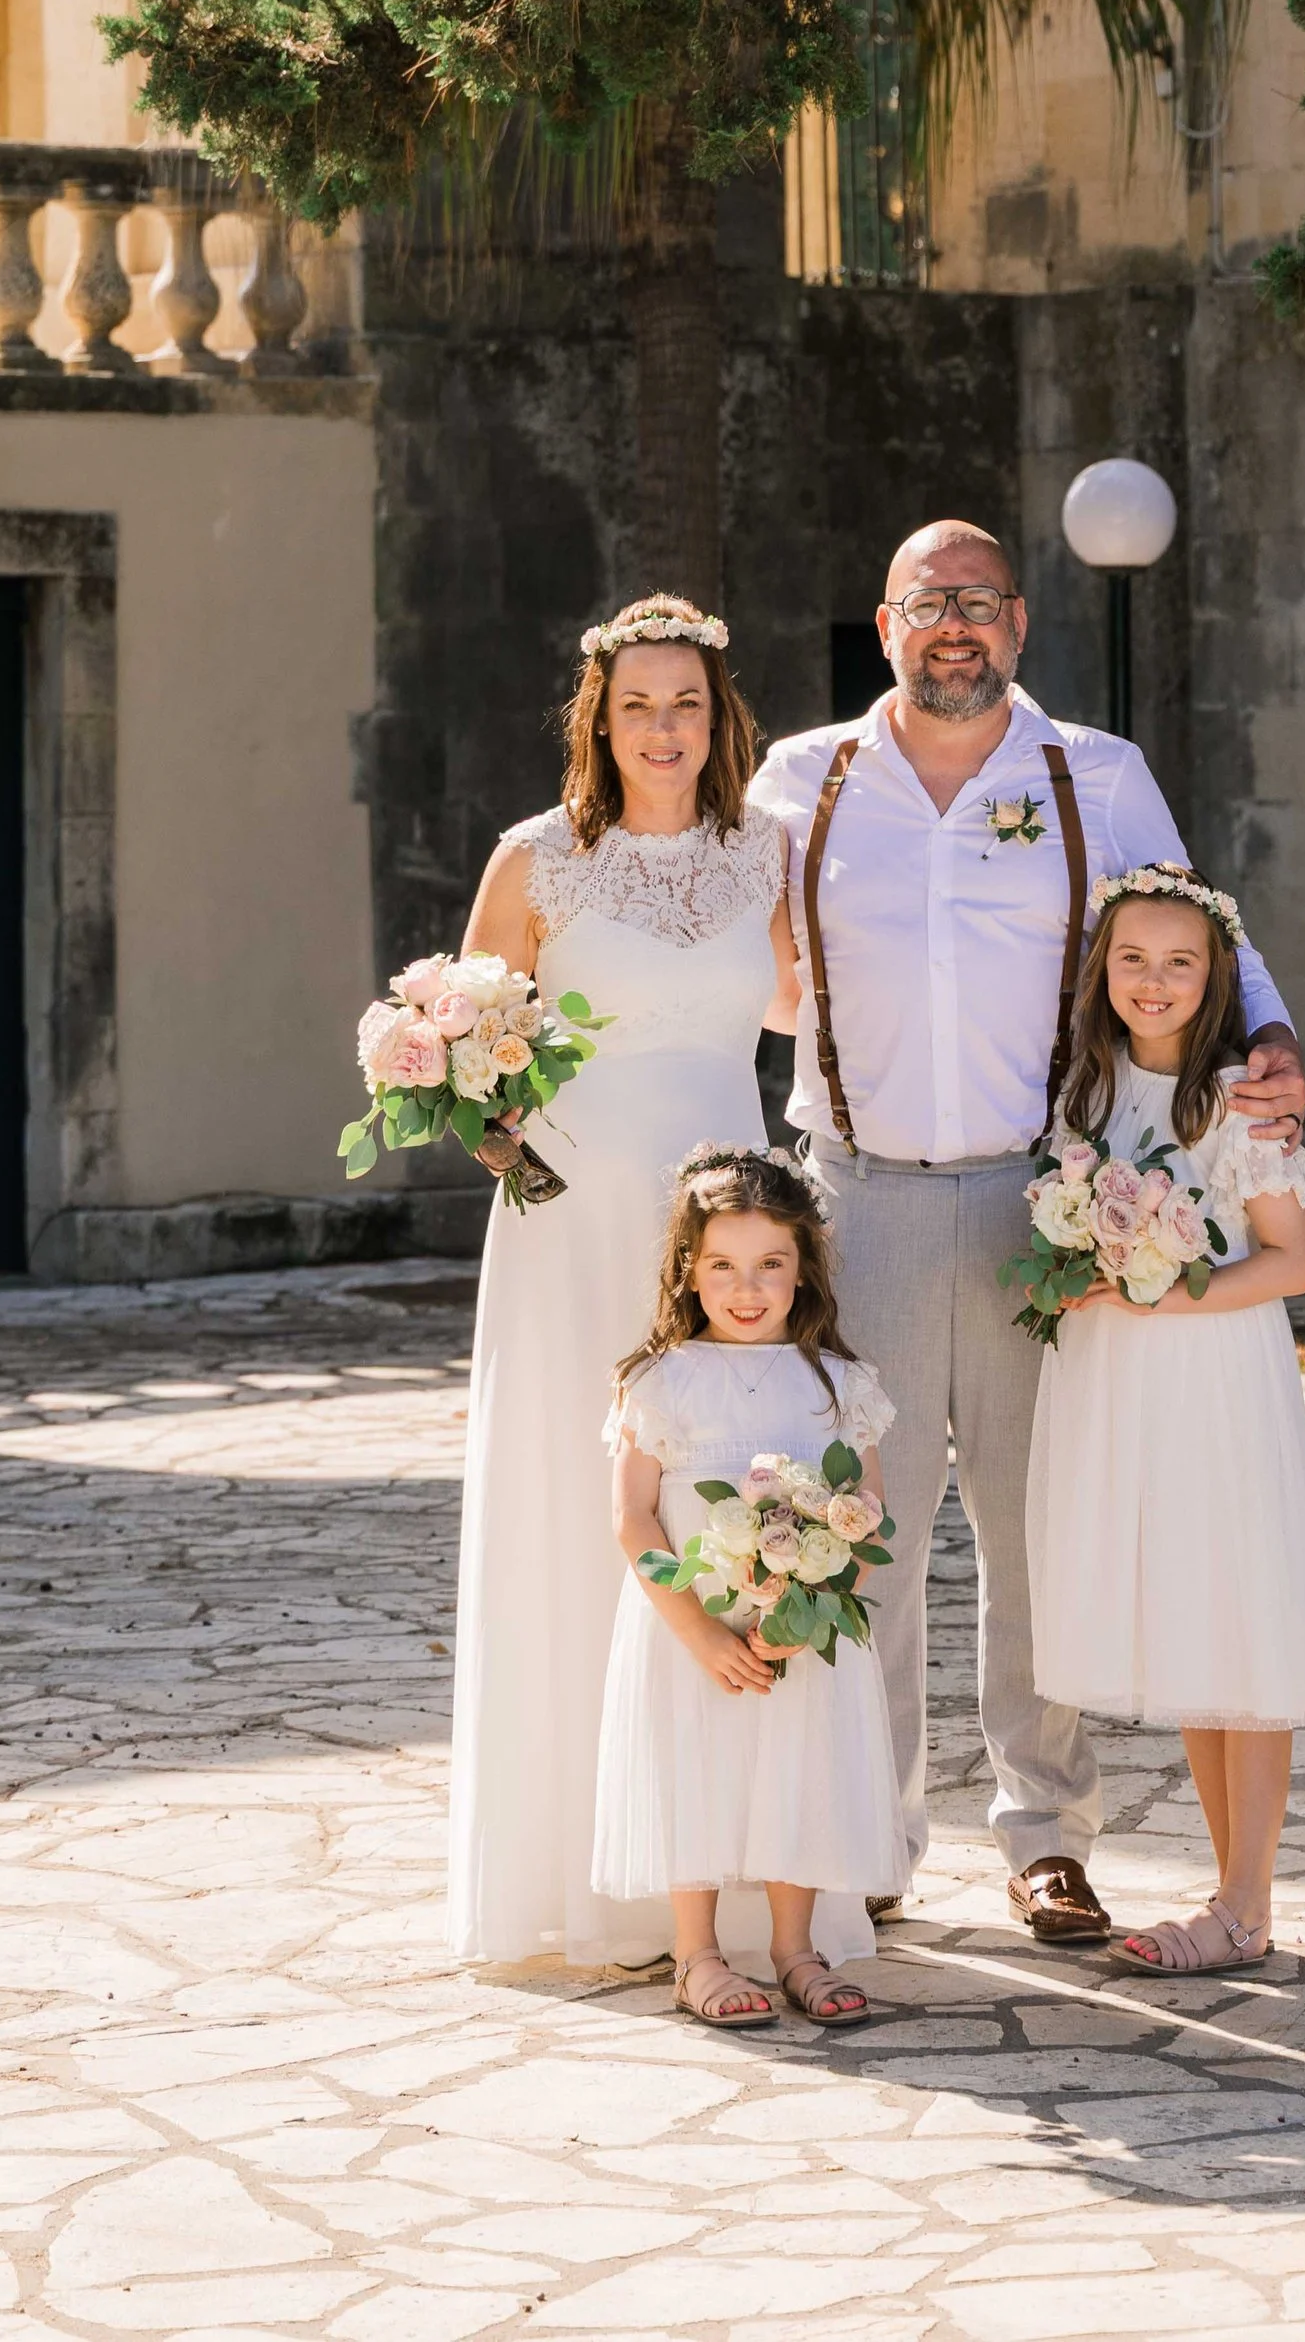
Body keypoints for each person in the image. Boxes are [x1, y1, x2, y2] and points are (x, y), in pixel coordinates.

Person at [748, 517, 1305, 1948]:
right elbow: (728, 957)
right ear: (882, 624)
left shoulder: (1094, 772)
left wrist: (1276, 1039)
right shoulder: (803, 778)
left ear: (1020, 625)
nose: (957, 627)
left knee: (1032, 1529)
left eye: (983, 605)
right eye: (930, 602)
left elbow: (1204, 937)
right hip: (850, 1191)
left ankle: (1045, 1835)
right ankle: (867, 1828)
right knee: (860, 1529)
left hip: (1036, 1201)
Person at [446, 593, 796, 1969]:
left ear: (722, 719)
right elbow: (459, 1047)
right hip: (577, 1223)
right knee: (572, 1512)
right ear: (598, 716)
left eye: (688, 702)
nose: (664, 726)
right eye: (638, 702)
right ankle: (580, 1871)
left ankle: (726, 1869)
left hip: (730, 1229)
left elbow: (816, 1006)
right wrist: (510, 1158)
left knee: (729, 1498)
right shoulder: (535, 860)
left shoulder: (768, 852)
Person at [1027, 864, 1305, 1974]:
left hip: (1212, 1375)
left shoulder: (1233, 1099)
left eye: (1179, 962)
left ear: (1217, 975)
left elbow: (1291, 1263)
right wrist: (1073, 1267)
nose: (1152, 983)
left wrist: (1173, 1287)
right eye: (1131, 960)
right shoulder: (1087, 1088)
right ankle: (1230, 1896)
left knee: (1242, 1630)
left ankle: (1245, 1906)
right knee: (1197, 1632)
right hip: (1121, 1380)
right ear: (1099, 971)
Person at [594, 1142, 906, 2025]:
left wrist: (791, 1621)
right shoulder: (659, 1380)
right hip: (687, 1627)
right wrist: (700, 1635)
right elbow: (635, 1520)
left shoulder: (838, 1385)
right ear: (688, 1273)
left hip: (802, 1628)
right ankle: (695, 1955)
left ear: (804, 1269)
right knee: (695, 1764)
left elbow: (865, 1513)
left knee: (798, 1770)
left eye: (771, 1264)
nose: (748, 1288)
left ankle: (795, 1947)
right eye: (724, 1266)